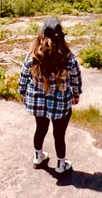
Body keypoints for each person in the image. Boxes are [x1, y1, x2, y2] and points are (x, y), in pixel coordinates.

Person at [18, 18, 82, 173]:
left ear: (41, 35)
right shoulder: (68, 58)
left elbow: (24, 76)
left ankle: (38, 157)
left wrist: (22, 91)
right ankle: (61, 165)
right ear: (61, 36)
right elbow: (76, 78)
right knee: (59, 134)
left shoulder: (33, 55)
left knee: (40, 128)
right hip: (60, 102)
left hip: (38, 102)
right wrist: (76, 94)